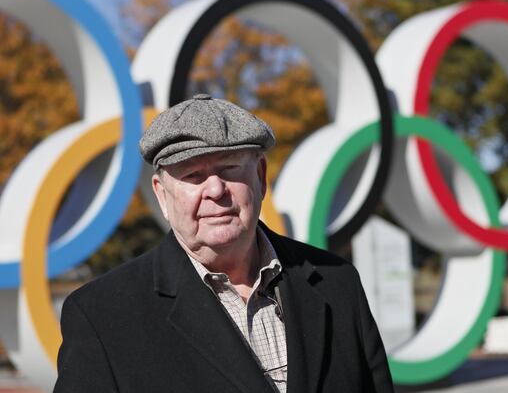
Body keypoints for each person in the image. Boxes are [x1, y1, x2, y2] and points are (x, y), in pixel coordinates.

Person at [54, 93, 393, 393]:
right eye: (193, 176)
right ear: (161, 193)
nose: (215, 190)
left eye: (229, 169)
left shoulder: (336, 282)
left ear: (260, 177)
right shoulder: (103, 315)